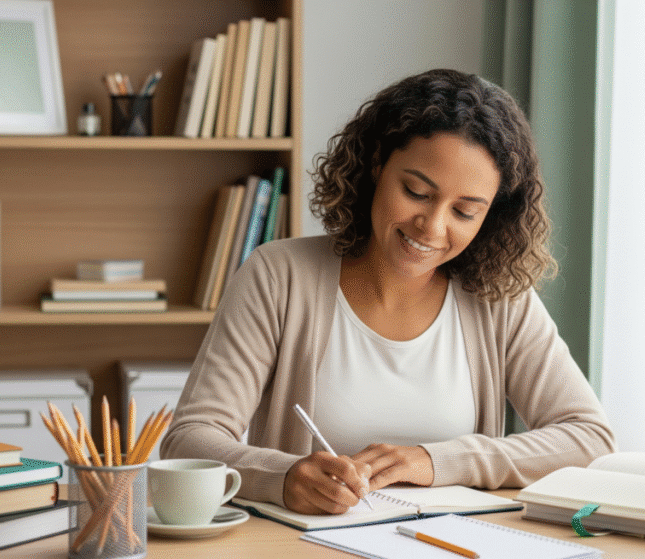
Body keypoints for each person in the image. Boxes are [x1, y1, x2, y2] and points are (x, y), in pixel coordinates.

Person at [161, 68, 615, 515]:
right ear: (377, 162)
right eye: (417, 191)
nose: (433, 228)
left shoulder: (498, 298)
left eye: (465, 211)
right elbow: (191, 437)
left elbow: (589, 437)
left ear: (492, 214)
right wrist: (282, 476)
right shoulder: (279, 276)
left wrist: (436, 460)